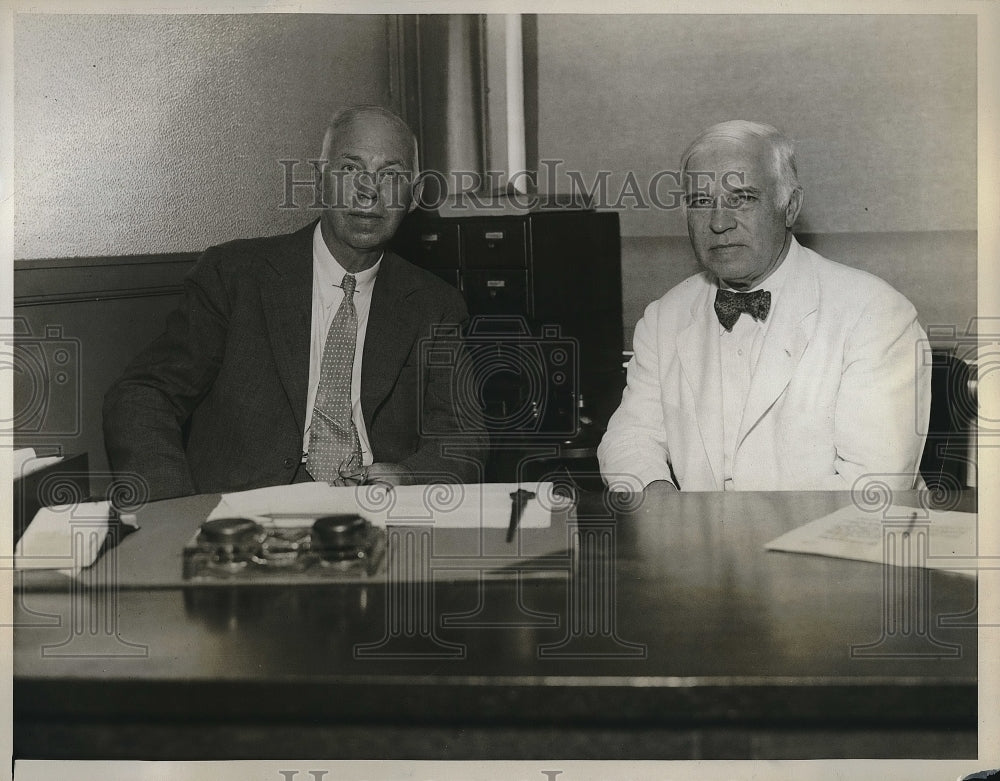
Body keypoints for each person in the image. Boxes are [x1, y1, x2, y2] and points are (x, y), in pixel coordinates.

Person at [104, 105, 487, 501]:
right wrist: (176, 513)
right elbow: (144, 394)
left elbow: (465, 436)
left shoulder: (434, 304)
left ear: (413, 195)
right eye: (350, 169)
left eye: (391, 175)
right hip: (245, 518)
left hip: (374, 517)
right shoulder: (235, 276)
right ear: (320, 181)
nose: (369, 190)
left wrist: (409, 476)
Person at [598, 120, 930, 492]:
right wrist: (662, 503)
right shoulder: (664, 319)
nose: (719, 223)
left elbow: (872, 485)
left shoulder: (875, 313)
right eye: (701, 202)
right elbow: (629, 438)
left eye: (742, 199)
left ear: (789, 207)